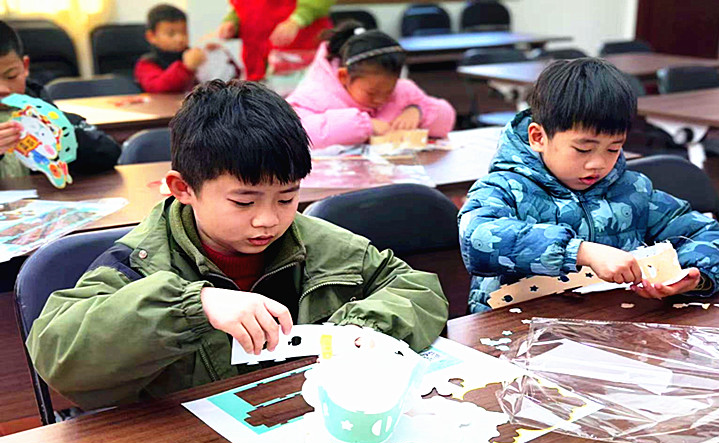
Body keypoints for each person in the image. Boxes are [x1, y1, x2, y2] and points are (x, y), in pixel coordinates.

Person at [27, 80, 448, 410]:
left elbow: (417, 289)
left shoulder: (317, 242)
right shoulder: (139, 262)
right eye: (243, 201)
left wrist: (364, 329)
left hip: (301, 424)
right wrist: (192, 307)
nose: (269, 219)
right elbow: (59, 354)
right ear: (182, 189)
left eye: (287, 197)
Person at [458, 58, 719, 313]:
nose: (598, 164)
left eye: (614, 149)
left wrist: (692, 277)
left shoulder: (632, 190)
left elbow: (707, 232)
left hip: (608, 323)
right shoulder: (504, 188)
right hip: (512, 327)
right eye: (582, 149)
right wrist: (581, 252)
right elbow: (477, 238)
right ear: (538, 137)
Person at [287, 22, 456, 149]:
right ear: (344, 76)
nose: (380, 99)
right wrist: (366, 124)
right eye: (371, 92)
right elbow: (296, 134)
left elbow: (446, 120)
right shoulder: (316, 95)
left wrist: (419, 112)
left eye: (388, 92)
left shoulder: (403, 92)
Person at [0, 21, 120, 177]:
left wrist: (65, 134)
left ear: (25, 67)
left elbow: (109, 154)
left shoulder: (39, 106)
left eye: (11, 76)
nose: (3, 89)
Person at [218, 0, 334, 81]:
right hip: (257, 63)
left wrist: (297, 20)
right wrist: (232, 22)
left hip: (296, 61)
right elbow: (242, 6)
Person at [135, 4, 206, 93]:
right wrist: (185, 68)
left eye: (184, 32)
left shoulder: (191, 55)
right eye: (171, 34)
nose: (180, 39)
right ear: (151, 36)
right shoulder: (147, 64)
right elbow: (158, 88)